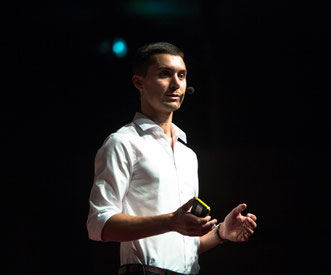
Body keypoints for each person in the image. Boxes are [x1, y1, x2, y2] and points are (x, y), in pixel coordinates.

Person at [87, 42, 257, 275]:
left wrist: (220, 233)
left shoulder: (188, 154)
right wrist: (170, 221)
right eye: (164, 74)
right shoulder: (123, 142)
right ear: (139, 82)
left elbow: (185, 247)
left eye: (182, 75)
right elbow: (98, 225)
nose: (176, 84)